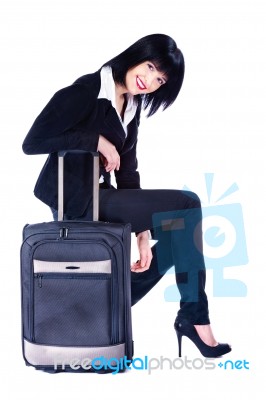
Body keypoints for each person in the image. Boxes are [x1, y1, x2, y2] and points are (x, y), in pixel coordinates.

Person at [22, 33, 231, 358]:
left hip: (102, 198)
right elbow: (33, 141)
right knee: (188, 206)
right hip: (77, 202)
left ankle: (119, 297)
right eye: (149, 67)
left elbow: (128, 173)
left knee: (182, 231)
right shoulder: (88, 90)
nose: (149, 80)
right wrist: (96, 142)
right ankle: (193, 317)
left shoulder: (131, 106)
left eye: (159, 79)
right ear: (135, 56)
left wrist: (143, 235)